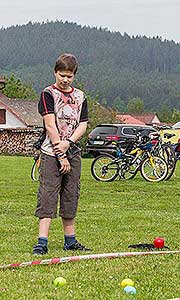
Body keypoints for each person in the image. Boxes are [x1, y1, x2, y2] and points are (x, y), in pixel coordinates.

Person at [32, 53, 90, 255]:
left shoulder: (80, 96)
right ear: (55, 72)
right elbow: (50, 124)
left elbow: (83, 124)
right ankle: (42, 242)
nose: (65, 80)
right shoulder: (48, 94)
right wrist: (60, 154)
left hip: (72, 150)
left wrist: (69, 144)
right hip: (51, 152)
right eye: (62, 75)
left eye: (69, 76)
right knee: (48, 195)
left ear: (74, 76)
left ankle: (70, 240)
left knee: (71, 194)